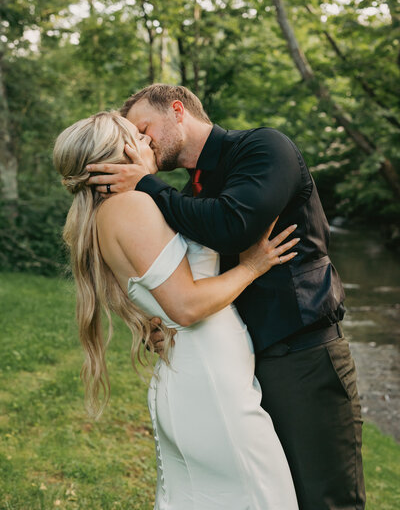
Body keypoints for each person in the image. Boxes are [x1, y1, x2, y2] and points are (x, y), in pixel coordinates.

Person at [87, 84, 366, 510]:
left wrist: (147, 184)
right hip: (239, 365)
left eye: (144, 128)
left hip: (302, 355)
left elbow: (234, 226)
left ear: (177, 110)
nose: (139, 143)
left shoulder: (262, 148)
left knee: (326, 500)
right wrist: (160, 320)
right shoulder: (188, 194)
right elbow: (173, 272)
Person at [53, 111, 300, 510]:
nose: (149, 143)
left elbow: (162, 295)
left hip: (202, 373)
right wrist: (252, 266)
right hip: (209, 381)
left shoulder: (120, 209)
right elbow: (186, 307)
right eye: (138, 137)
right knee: (264, 497)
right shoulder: (132, 206)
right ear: (118, 153)